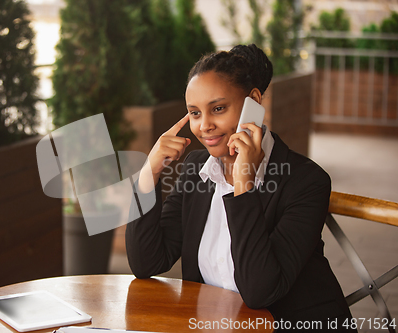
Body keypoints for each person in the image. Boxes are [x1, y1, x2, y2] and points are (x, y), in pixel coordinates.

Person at [125, 44, 355, 331]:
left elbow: (260, 291)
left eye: (218, 109)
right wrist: (150, 172)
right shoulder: (197, 169)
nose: (204, 125)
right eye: (194, 113)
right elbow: (147, 262)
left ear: (254, 102)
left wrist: (243, 182)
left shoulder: (306, 181)